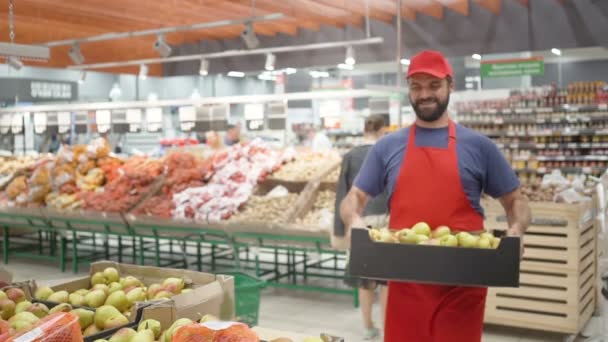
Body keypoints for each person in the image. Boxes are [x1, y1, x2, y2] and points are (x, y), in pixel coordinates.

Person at [339, 50, 531, 342]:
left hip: (463, 285)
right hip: (405, 284)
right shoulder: (388, 146)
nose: (424, 94)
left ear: (450, 86)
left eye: (433, 85)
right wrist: (353, 220)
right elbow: (354, 197)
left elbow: (516, 200)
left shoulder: (479, 147)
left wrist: (517, 230)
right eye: (416, 86)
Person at [334, 114, 389, 340]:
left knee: (365, 279)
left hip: (359, 222)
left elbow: (342, 193)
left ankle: (367, 326)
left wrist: (341, 228)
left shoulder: (350, 156)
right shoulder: (388, 152)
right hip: (388, 220)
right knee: (387, 279)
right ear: (383, 129)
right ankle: (387, 327)